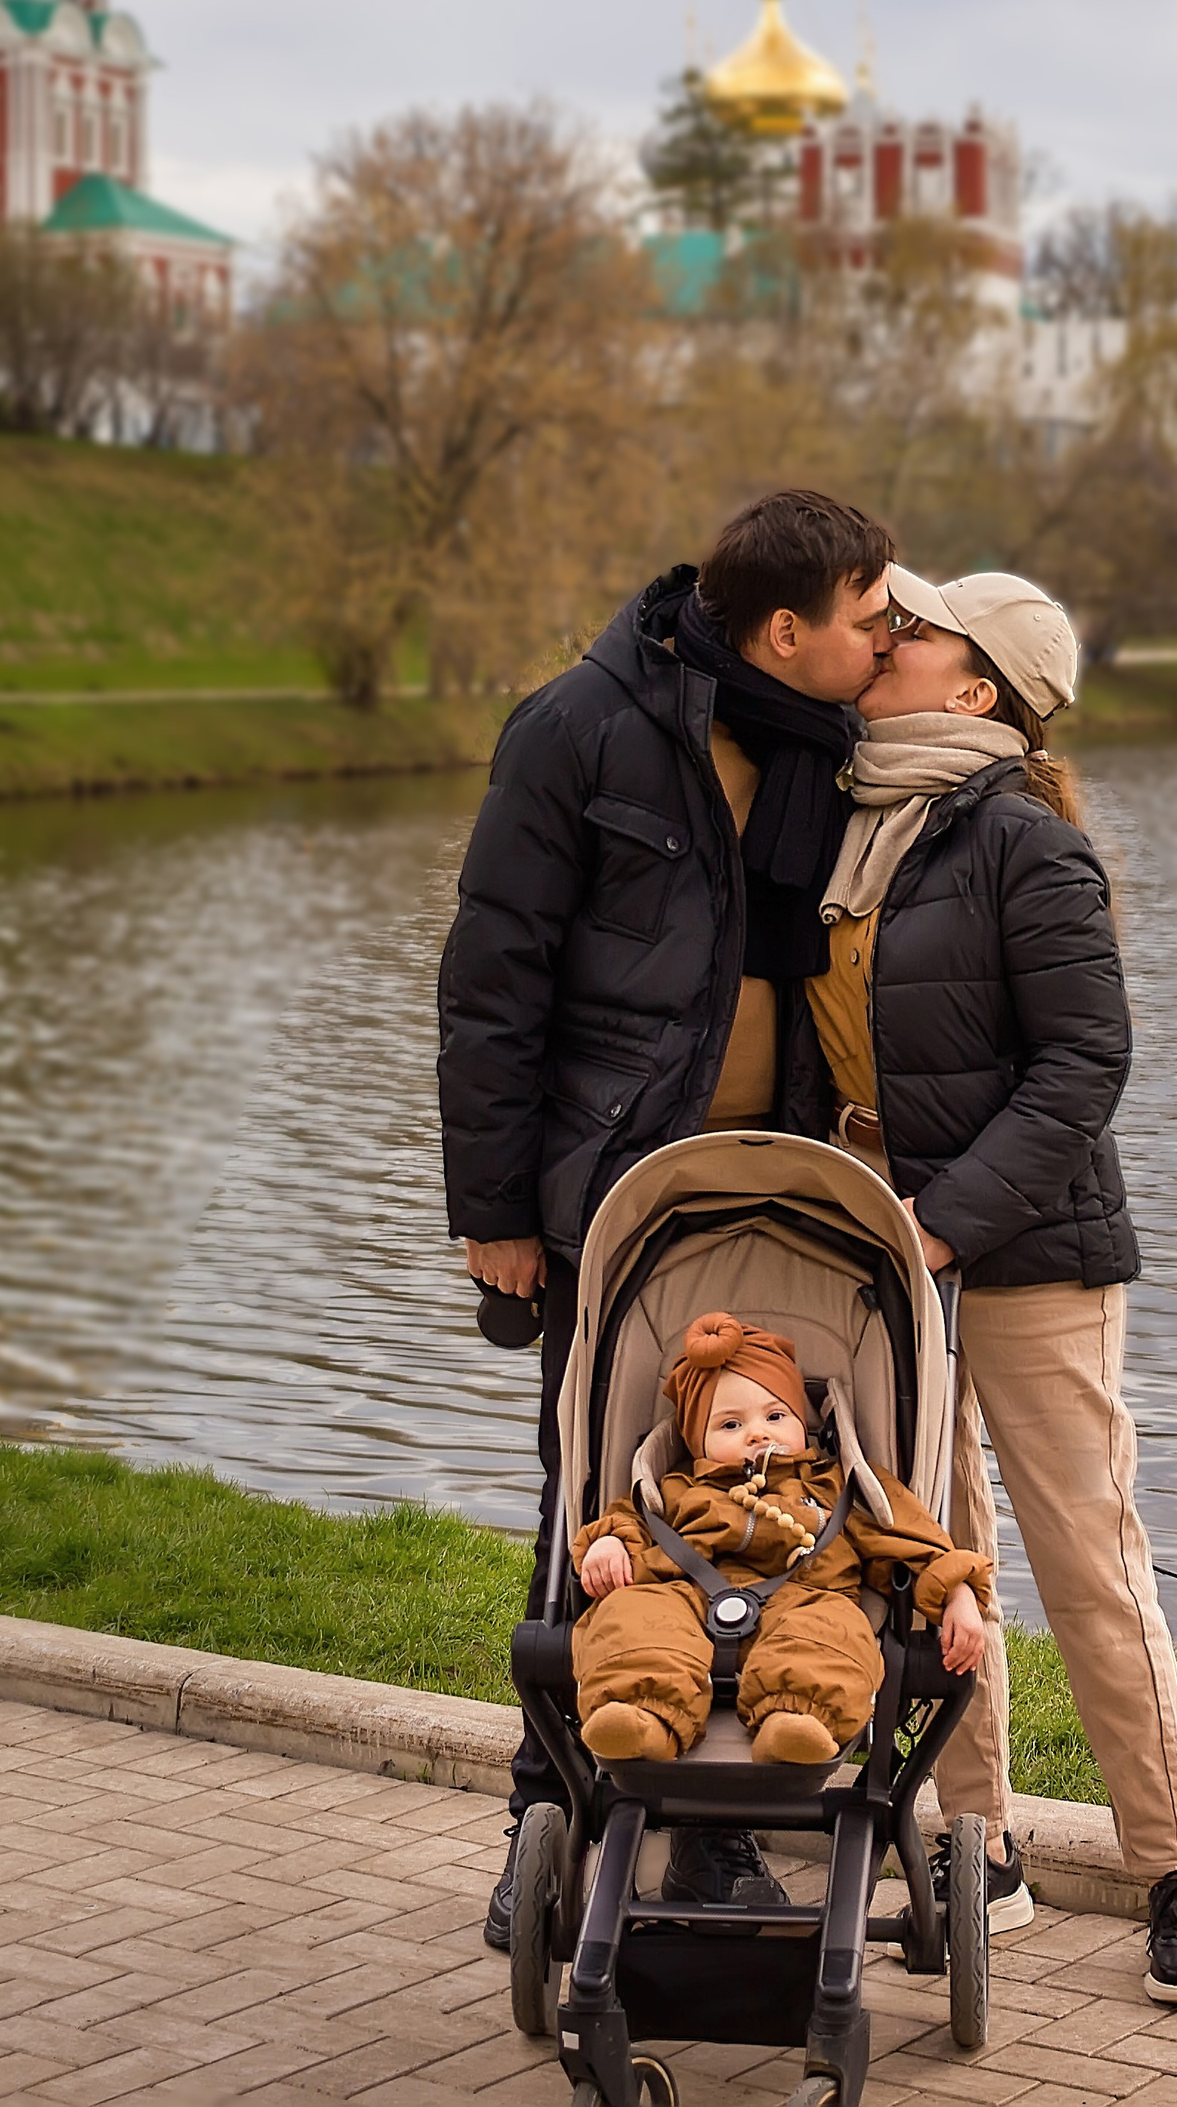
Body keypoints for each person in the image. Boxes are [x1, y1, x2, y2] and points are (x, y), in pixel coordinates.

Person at [437, 489, 895, 1947]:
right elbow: (490, 984)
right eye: (866, 620)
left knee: (771, 1515)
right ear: (782, 631)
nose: (885, 642)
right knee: (594, 1515)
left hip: (775, 1190)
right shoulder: (579, 729)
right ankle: (544, 1819)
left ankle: (711, 1846)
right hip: (614, 1202)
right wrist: (497, 1208)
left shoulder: (822, 741)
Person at [806, 566, 1177, 2008]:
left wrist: (946, 1223)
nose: (886, 643)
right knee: (937, 1562)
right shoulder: (854, 821)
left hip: (1028, 1252)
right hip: (887, 1241)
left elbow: (1082, 1072)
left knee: (1089, 1570)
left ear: (978, 687)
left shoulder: (1021, 847)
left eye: (912, 634)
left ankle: (1176, 1873)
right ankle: (977, 1847)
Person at [571, 1311, 989, 1765]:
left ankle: (795, 1725)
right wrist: (609, 1543)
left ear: (802, 1423)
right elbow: (630, 1519)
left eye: (775, 1415)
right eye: (730, 1425)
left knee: (832, 1636)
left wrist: (957, 1592)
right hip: (683, 1591)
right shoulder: (678, 1487)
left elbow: (907, 1536)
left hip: (807, 1593)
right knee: (632, 1618)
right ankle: (640, 1719)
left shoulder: (835, 1487)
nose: (757, 1432)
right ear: (697, 1443)